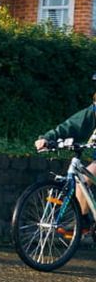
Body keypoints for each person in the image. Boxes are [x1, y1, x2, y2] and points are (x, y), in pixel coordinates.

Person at [35, 93, 96, 228]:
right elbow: (73, 124)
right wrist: (48, 138)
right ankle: (82, 221)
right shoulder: (94, 110)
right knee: (83, 179)